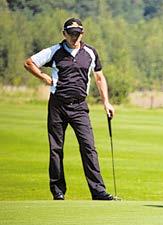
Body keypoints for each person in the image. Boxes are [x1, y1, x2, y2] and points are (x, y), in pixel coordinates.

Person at [24, 18, 116, 200]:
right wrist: (44, 77)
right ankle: (58, 191)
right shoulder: (55, 51)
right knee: (56, 148)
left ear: (82, 33)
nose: (74, 37)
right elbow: (29, 63)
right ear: (64, 33)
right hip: (57, 105)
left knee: (89, 147)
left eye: (78, 33)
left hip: (80, 106)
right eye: (71, 33)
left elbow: (99, 78)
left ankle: (98, 191)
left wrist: (106, 102)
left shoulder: (90, 52)